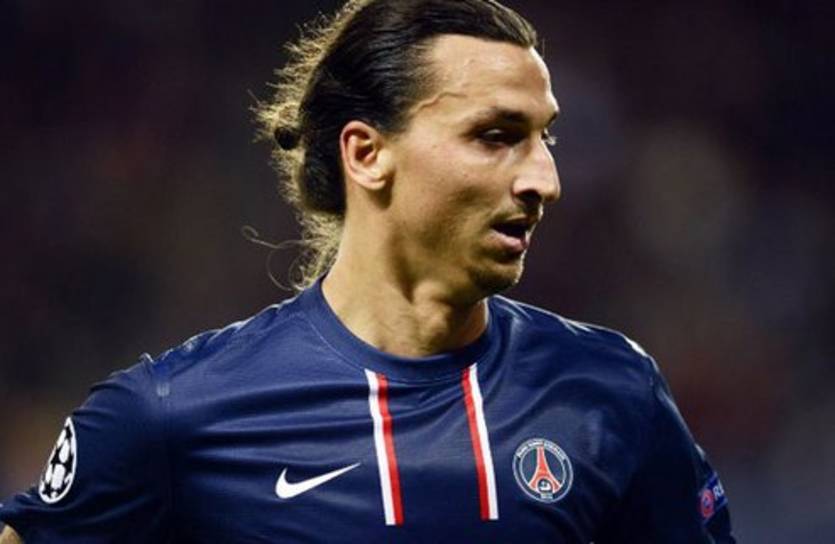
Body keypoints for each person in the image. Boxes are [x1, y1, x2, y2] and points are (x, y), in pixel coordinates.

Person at [0, 0, 735, 542]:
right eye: (495, 136)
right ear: (366, 154)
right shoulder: (172, 415)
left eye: (545, 139)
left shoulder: (611, 393)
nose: (545, 180)